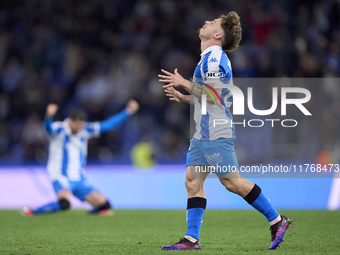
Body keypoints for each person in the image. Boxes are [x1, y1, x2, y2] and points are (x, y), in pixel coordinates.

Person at [158, 12, 291, 250]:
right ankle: (191, 238)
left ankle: (277, 220)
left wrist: (184, 83)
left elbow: (214, 95)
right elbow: (210, 96)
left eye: (213, 22)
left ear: (217, 35)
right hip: (203, 133)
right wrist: (185, 97)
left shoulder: (213, 58)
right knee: (192, 182)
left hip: (216, 132)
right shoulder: (208, 58)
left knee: (232, 183)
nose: (207, 22)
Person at [21, 100, 139, 216]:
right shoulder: (60, 129)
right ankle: (32, 212)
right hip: (61, 176)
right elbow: (48, 128)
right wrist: (48, 116)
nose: (79, 129)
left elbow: (108, 125)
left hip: (79, 177)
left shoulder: (85, 130)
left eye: (81, 126)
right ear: (71, 121)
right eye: (77, 125)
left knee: (104, 205)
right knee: (65, 204)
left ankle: (90, 214)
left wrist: (127, 111)